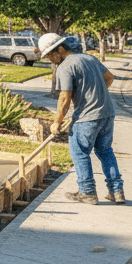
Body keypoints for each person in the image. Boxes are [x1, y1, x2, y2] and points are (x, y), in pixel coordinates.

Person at [39, 31, 122, 204]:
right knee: (105, 151)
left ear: (60, 49)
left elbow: (64, 97)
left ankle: (87, 192)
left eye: (49, 55)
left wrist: (57, 122)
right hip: (107, 114)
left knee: (79, 152)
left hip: (87, 117)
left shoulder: (65, 67)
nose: (49, 59)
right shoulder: (89, 58)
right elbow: (109, 78)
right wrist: (95, 95)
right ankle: (116, 191)